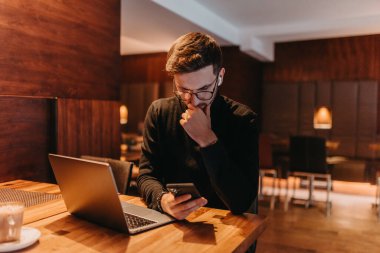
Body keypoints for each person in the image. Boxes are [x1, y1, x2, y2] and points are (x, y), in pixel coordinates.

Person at [137, 32, 259, 221]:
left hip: (228, 226)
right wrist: (162, 200)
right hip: (172, 223)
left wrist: (207, 140)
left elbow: (241, 202)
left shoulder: (243, 119)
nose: (191, 100)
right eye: (183, 89)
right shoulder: (159, 112)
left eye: (203, 90)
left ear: (220, 76)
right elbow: (146, 176)